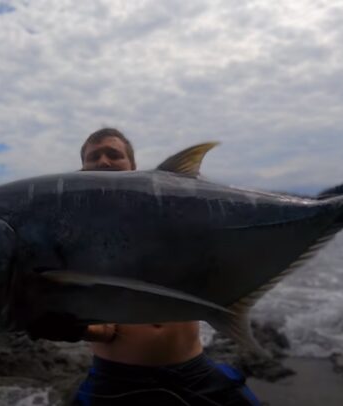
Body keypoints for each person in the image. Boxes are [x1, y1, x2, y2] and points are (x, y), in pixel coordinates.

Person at [27, 128, 262, 405]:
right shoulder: (77, 237)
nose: (103, 161)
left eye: (114, 154)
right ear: (83, 169)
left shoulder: (175, 217)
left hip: (194, 370)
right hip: (118, 381)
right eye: (94, 157)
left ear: (133, 166)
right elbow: (107, 330)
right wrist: (73, 328)